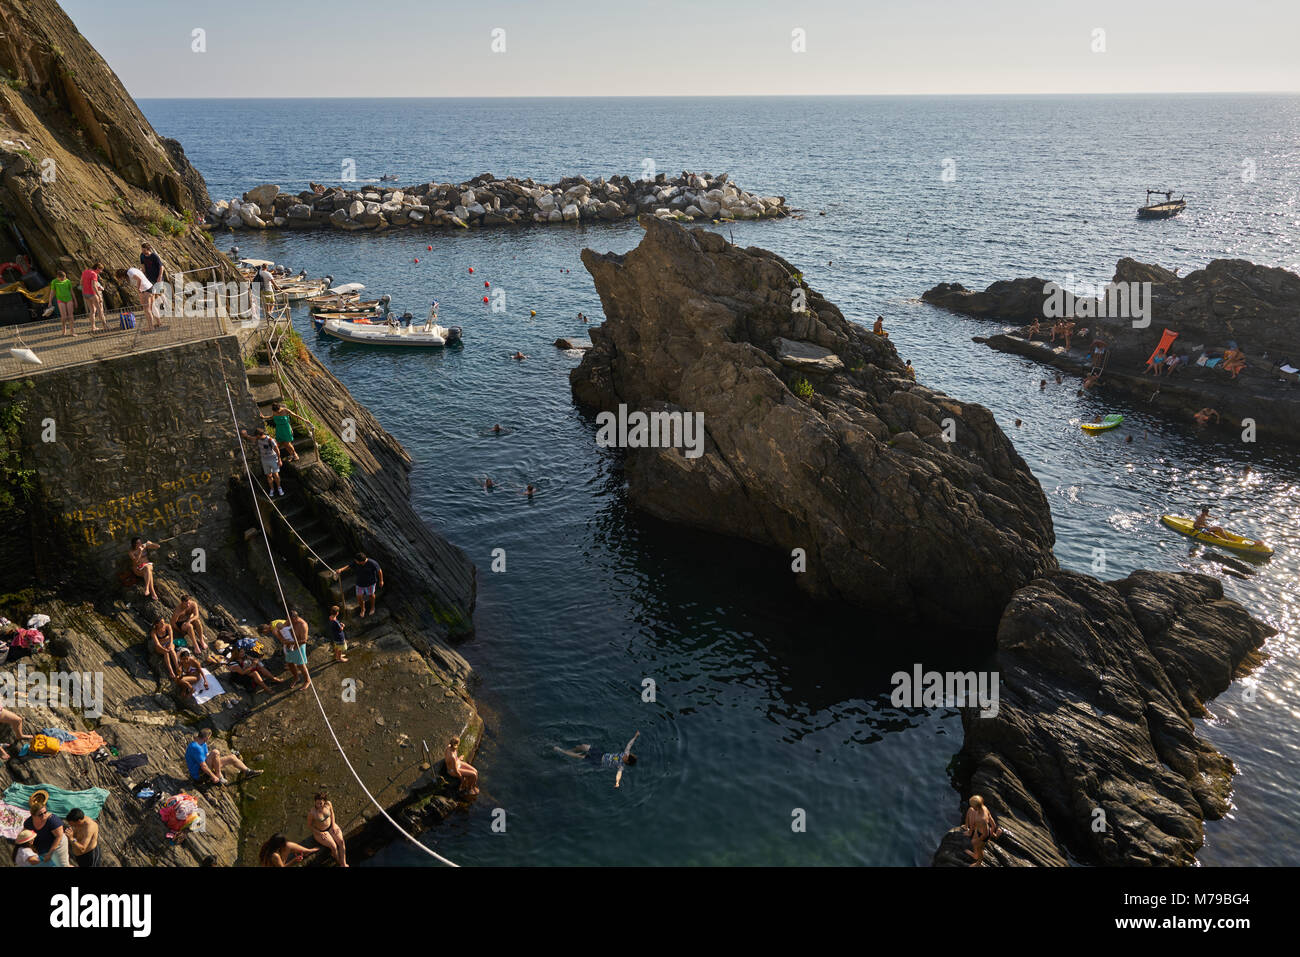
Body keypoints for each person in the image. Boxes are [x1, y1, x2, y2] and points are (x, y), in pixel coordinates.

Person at [555, 731, 640, 788]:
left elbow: (619, 774)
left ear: (627, 761)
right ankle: (569, 751)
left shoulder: (621, 765)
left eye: (627, 757)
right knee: (583, 746)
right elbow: (629, 744)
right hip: (601, 754)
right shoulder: (625, 753)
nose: (626, 755)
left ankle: (562, 751)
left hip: (598, 761)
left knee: (580, 756)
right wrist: (635, 736)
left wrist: (617, 782)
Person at [186, 728, 262, 786]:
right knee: (215, 752)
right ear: (206, 738)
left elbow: (207, 756)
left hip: (205, 767)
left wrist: (216, 760)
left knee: (232, 757)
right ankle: (219, 776)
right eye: (209, 737)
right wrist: (213, 777)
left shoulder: (203, 743)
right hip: (199, 775)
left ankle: (248, 772)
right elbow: (204, 766)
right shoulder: (195, 747)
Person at [24, 790, 69, 867]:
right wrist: (29, 843)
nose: (44, 815)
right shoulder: (28, 823)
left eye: (45, 812)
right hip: (42, 847)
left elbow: (59, 837)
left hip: (58, 845)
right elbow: (26, 837)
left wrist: (50, 853)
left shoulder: (52, 820)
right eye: (40, 814)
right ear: (33, 816)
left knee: (62, 865)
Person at [334, 552, 383, 619]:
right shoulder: (356, 562)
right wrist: (341, 570)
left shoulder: (372, 563)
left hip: (370, 583)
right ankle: (363, 609)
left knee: (371, 595)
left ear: (361, 562)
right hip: (359, 583)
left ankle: (372, 607)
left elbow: (379, 571)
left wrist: (381, 581)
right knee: (359, 597)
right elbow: (349, 566)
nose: (355, 561)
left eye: (357, 561)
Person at [308, 791, 347, 867]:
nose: (318, 805)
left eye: (321, 803)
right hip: (320, 832)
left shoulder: (328, 804)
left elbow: (332, 813)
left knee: (341, 842)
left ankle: (344, 864)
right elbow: (309, 825)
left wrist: (333, 825)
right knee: (334, 846)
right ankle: (338, 862)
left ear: (324, 802)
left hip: (330, 827)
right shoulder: (312, 812)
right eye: (317, 803)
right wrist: (319, 833)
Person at [241, 427, 283, 496]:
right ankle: (272, 489)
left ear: (259, 435)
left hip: (272, 458)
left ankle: (279, 488)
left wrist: (279, 459)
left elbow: (277, 450)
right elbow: (251, 438)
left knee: (276, 474)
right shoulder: (258, 438)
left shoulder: (270, 440)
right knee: (269, 476)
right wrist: (245, 435)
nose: (256, 437)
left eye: (256, 436)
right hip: (264, 459)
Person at [963, 794, 1002, 866]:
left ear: (976, 807)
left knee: (979, 848)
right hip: (982, 830)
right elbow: (993, 824)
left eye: (972, 806)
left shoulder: (981, 819)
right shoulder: (984, 808)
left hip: (983, 834)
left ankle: (978, 862)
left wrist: (979, 840)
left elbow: (985, 834)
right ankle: (996, 835)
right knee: (974, 842)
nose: (971, 807)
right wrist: (992, 830)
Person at [171, 594, 211, 658]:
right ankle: (195, 645)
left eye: (189, 603)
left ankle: (201, 640)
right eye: (186, 604)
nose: (188, 605)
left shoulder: (193, 604)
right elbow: (173, 623)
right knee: (189, 626)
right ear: (182, 603)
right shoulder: (178, 611)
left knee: (197, 621)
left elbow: (196, 615)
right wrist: (180, 631)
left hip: (189, 619)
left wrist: (189, 620)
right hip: (181, 624)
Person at [80, 261, 107, 332]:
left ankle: (93, 327)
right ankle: (105, 326)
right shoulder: (94, 274)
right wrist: (99, 296)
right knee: (100, 310)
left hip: (85, 294)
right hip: (92, 294)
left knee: (92, 311)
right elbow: (94, 286)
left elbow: (81, 283)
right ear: (97, 268)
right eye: (100, 270)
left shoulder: (85, 272)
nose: (100, 272)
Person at [48, 270, 76, 335]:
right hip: (60, 300)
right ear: (58, 277)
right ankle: (64, 330)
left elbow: (71, 291)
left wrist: (75, 300)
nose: (63, 279)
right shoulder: (54, 282)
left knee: (71, 316)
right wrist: (50, 302)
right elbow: (52, 292)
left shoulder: (68, 281)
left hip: (69, 299)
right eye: (61, 278)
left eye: (64, 278)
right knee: (64, 317)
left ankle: (72, 331)